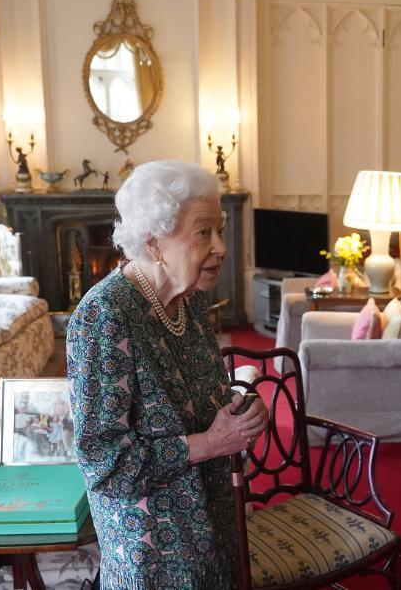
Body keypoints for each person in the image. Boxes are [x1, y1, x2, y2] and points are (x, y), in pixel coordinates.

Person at [68, 160, 268, 589]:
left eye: (220, 230)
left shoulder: (191, 299)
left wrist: (241, 410)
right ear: (153, 242)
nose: (221, 247)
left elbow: (200, 397)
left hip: (212, 525)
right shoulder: (105, 316)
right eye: (203, 233)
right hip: (156, 550)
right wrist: (212, 442)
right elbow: (106, 465)